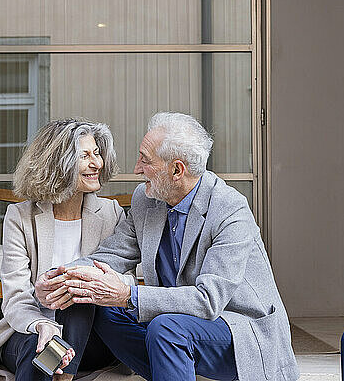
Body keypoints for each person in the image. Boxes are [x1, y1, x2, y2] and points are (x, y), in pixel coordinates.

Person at [36, 112, 300, 381]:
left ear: (176, 170)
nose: (137, 168)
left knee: (166, 328)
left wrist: (128, 294)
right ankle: (62, 375)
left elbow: (208, 301)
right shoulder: (147, 199)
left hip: (238, 334)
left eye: (146, 160)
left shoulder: (230, 210)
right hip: (171, 329)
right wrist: (60, 277)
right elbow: (113, 254)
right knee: (91, 296)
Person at [0, 119, 135, 381]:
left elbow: (127, 280)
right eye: (85, 156)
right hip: (30, 330)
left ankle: (62, 373)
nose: (97, 163)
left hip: (92, 338)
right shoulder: (20, 217)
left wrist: (86, 282)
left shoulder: (111, 213)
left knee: (79, 286)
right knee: (42, 349)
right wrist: (43, 324)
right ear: (59, 163)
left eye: (97, 153)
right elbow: (15, 298)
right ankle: (60, 371)